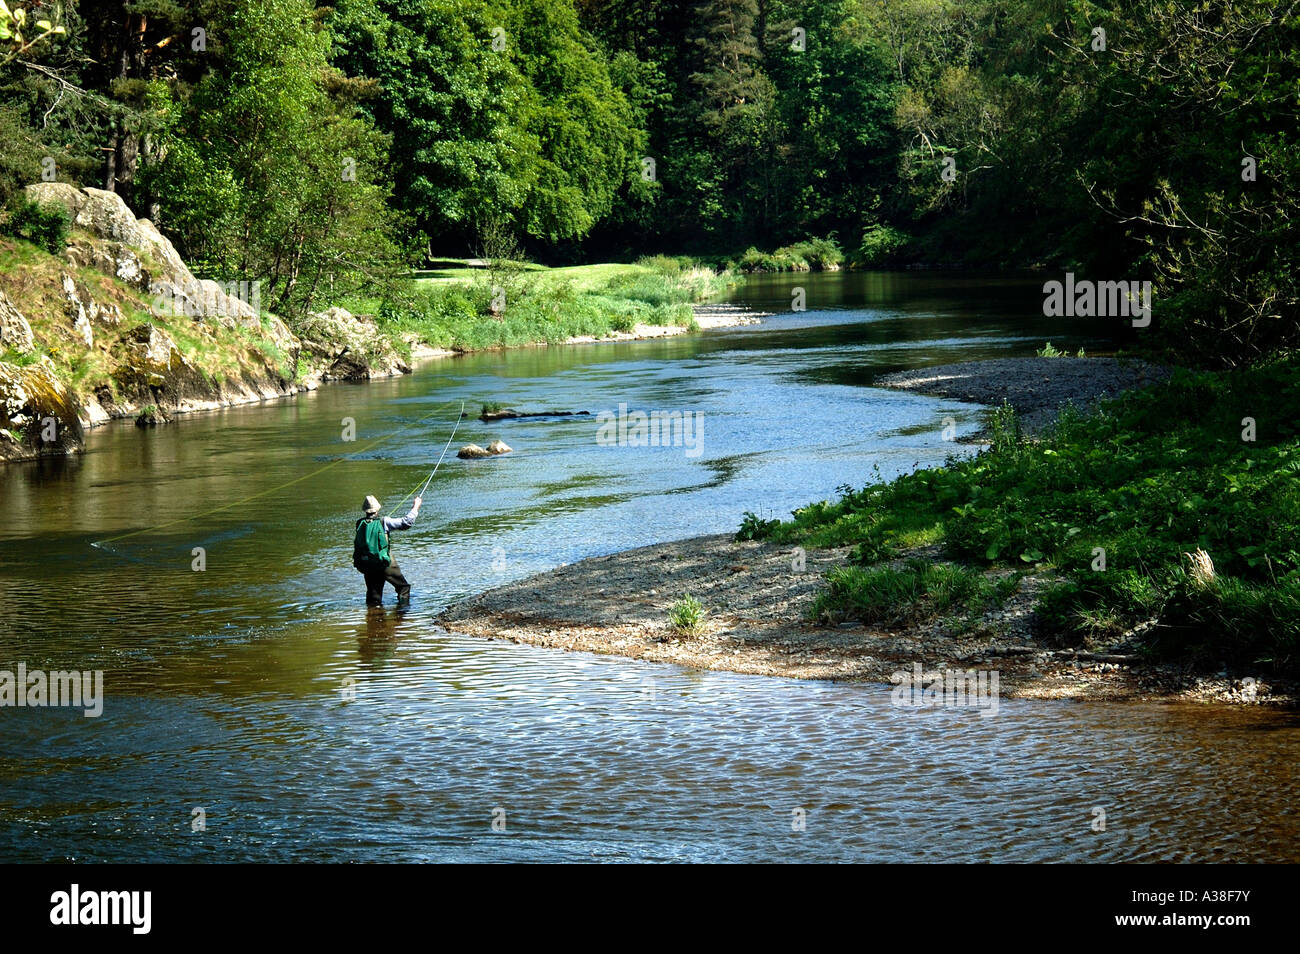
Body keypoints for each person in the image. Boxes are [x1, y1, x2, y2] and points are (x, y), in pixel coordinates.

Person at [353, 494, 421, 605]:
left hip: (367, 565)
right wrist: (415, 506)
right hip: (385, 564)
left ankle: (373, 618)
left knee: (373, 595)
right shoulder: (384, 521)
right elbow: (406, 523)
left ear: (365, 510)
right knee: (403, 588)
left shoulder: (359, 523)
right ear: (377, 509)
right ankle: (403, 615)